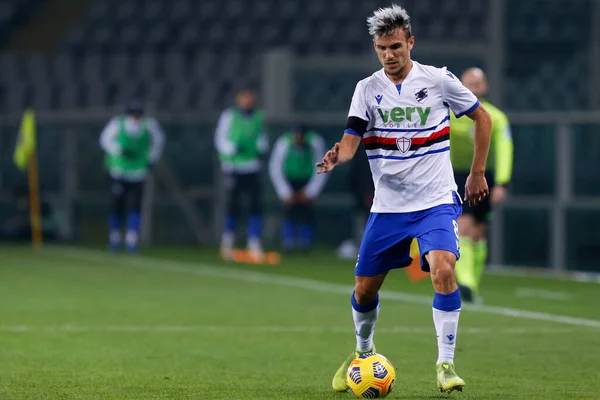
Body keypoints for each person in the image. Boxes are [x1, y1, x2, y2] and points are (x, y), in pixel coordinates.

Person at [316, 5, 491, 394]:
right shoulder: (367, 89)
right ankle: (363, 352)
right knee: (364, 289)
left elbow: (483, 119)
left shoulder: (439, 80)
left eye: (395, 46)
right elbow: (351, 140)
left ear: (410, 42)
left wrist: (477, 172)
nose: (389, 54)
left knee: (443, 269)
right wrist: (337, 156)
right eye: (381, 48)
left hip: (435, 200)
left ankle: (445, 365)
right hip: (389, 206)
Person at [451, 68, 514, 303]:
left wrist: (502, 183)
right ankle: (465, 282)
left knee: (478, 232)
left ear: (485, 87)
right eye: (468, 84)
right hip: (456, 176)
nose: (472, 89)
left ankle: (471, 287)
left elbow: (505, 150)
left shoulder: (496, 117)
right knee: (463, 225)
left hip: (484, 176)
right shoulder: (448, 114)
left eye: (477, 84)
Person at [99, 98, 165, 253]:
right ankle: (114, 237)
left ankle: (132, 239)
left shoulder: (149, 125)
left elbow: (159, 142)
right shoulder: (117, 123)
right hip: (118, 170)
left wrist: (152, 158)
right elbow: (105, 140)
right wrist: (118, 150)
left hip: (138, 172)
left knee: (135, 205)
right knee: (116, 205)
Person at [214, 87, 268, 260]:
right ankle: (228, 241)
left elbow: (261, 139)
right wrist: (231, 151)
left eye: (250, 98)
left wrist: (260, 149)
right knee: (233, 205)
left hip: (252, 166)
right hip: (234, 167)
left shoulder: (258, 117)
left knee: (255, 205)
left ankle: (254, 241)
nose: (247, 101)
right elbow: (220, 139)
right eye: (244, 98)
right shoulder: (229, 116)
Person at [268, 124, 327, 252]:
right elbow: (275, 167)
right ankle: (288, 242)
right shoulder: (284, 143)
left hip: (307, 180)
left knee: (306, 213)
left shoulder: (315, 143)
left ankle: (306, 244)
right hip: (289, 180)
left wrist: (310, 192)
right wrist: (285, 192)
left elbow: (322, 167)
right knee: (289, 212)